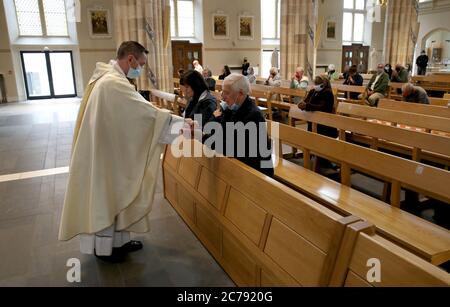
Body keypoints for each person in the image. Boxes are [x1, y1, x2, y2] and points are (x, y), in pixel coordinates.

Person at [58, 41, 184, 262]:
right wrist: (182, 124)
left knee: (114, 193)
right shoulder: (112, 84)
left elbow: (134, 113)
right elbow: (145, 117)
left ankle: (119, 242)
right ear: (130, 59)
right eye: (141, 63)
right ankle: (106, 250)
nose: (141, 68)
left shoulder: (108, 78)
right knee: (108, 194)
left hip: (109, 149)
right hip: (106, 154)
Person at [209, 74, 274, 177]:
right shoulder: (231, 109)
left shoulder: (253, 116)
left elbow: (230, 147)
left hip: (256, 173)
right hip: (239, 166)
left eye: (226, 93)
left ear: (240, 94)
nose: (222, 97)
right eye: (222, 92)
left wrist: (205, 137)